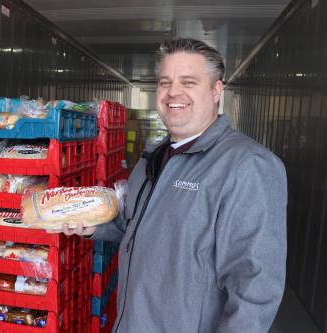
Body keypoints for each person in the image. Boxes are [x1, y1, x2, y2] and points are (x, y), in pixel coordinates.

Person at [54, 38, 287, 332]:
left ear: (217, 90)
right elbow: (137, 225)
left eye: (188, 82)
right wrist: (93, 225)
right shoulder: (154, 156)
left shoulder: (247, 165)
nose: (173, 92)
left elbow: (255, 289)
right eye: (165, 82)